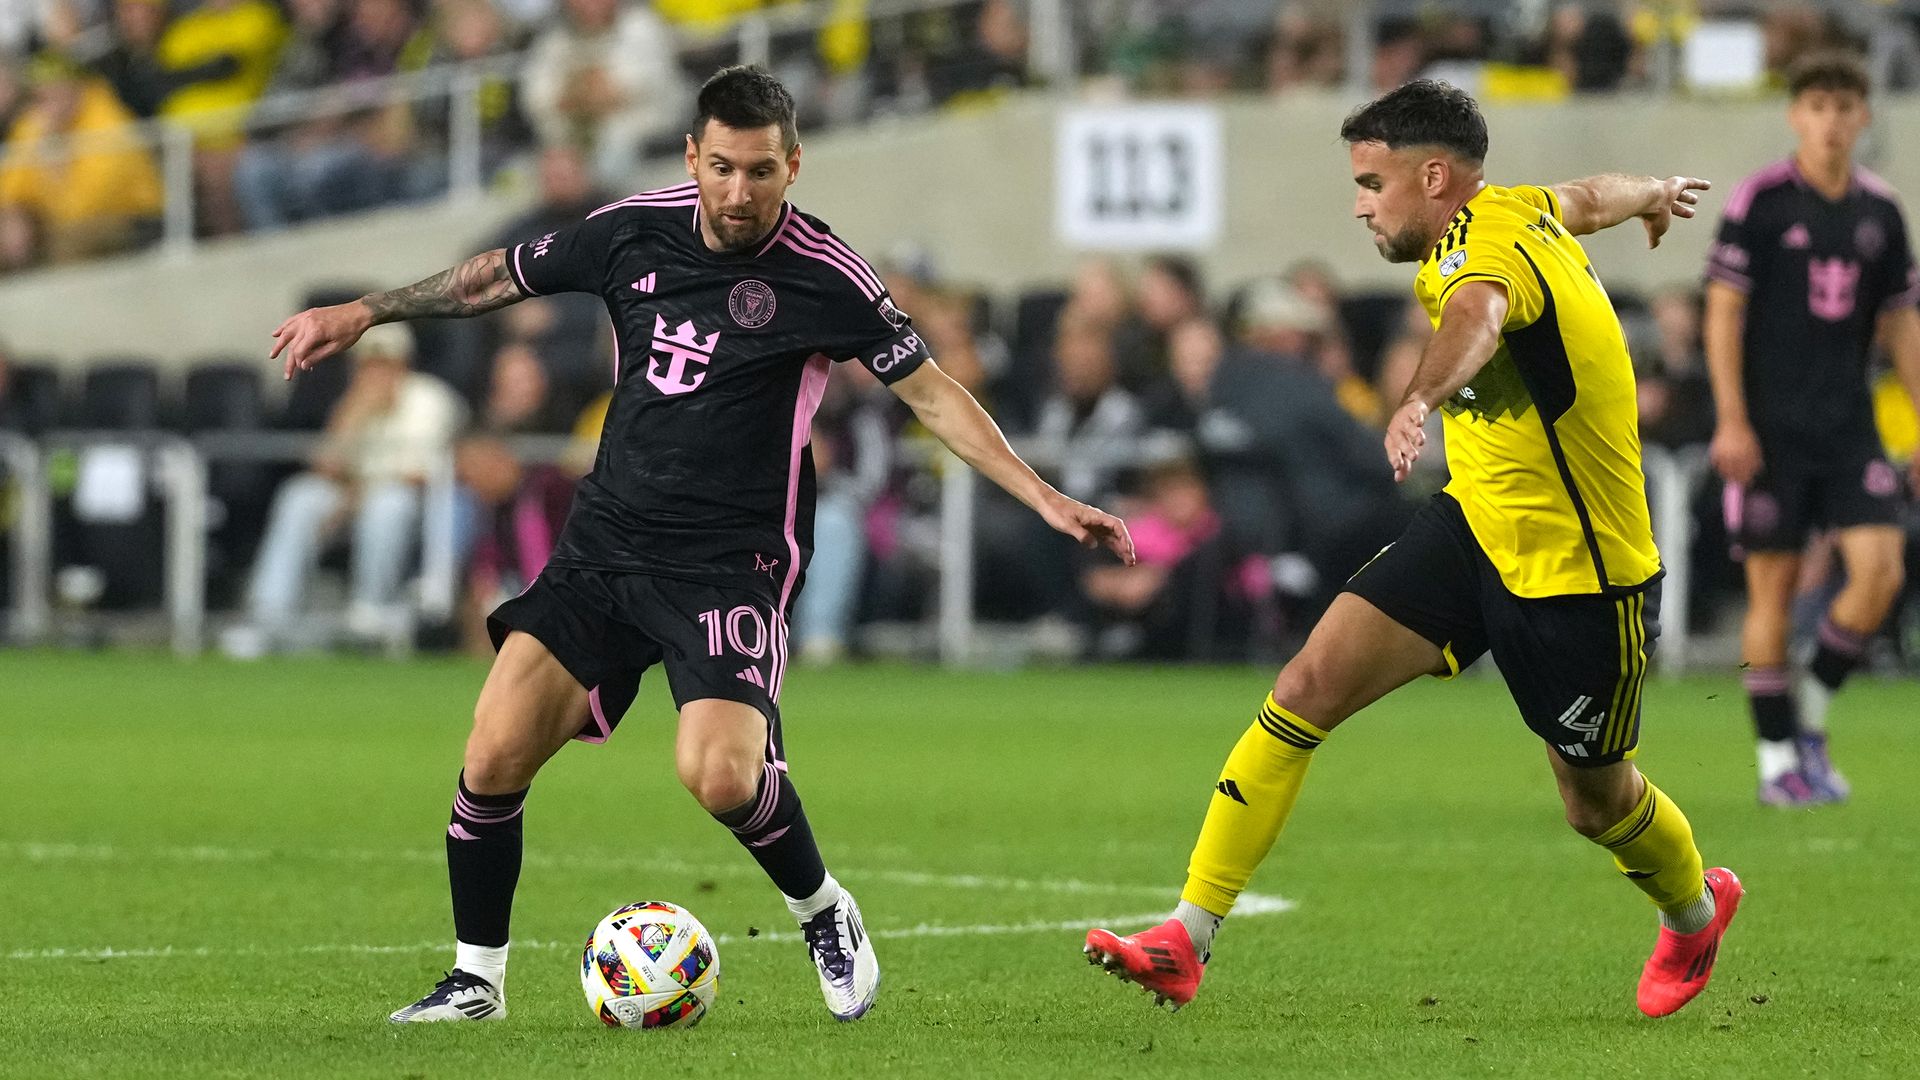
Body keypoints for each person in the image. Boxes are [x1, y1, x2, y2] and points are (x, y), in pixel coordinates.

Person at [269, 66, 1133, 1025]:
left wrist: (1046, 495)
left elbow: (930, 394)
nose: (738, 192)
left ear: (792, 165)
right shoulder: (630, 229)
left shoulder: (826, 275)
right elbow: (494, 279)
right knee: (492, 753)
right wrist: (364, 312)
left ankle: (822, 910)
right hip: (607, 540)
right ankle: (477, 980)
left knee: (717, 774)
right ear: (692, 156)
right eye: (720, 167)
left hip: (731, 556)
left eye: (760, 171)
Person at [1084, 79, 1739, 1020]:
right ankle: (1186, 935)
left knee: (1594, 801)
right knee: (1305, 685)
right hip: (1475, 526)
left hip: (1581, 572)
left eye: (1371, 182)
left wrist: (1416, 400)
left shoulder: (1486, 255)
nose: (1358, 204)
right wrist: (1653, 192)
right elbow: (1588, 197)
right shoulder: (1518, 208)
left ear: (1434, 177)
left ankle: (1692, 909)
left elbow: (1475, 318)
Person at [1703, 52, 1920, 807]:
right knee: (1774, 591)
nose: (1830, 120)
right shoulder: (1761, 202)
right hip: (1769, 429)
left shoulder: (1881, 212)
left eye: (1844, 106)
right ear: (1797, 115)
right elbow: (1724, 313)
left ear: (1863, 116)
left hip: (1849, 424)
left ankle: (1811, 726)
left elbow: (1900, 322)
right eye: (1817, 105)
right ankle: (1774, 762)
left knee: (1881, 574)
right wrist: (1730, 419)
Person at [225, 322, 466, 655]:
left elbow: (420, 475)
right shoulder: (353, 400)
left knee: (389, 503)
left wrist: (356, 498)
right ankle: (270, 613)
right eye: (368, 362)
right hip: (354, 498)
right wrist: (353, 417)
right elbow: (325, 466)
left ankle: (371, 609)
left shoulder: (428, 398)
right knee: (301, 495)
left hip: (416, 506)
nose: (375, 371)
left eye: (385, 362)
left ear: (403, 362)